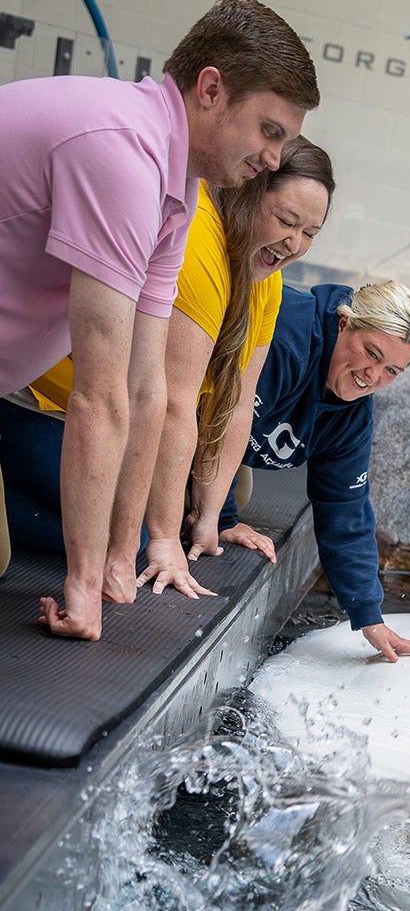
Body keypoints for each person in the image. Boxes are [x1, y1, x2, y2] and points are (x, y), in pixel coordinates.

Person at [0, 0, 319, 641]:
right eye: (270, 130)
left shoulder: (177, 186)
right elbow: (99, 396)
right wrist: (84, 585)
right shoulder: (121, 153)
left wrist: (124, 561)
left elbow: (147, 390)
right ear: (210, 90)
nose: (276, 159)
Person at [2, 136, 333, 599]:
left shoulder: (265, 276)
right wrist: (162, 539)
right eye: (285, 221)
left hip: (119, 414)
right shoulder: (200, 245)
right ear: (248, 193)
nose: (293, 243)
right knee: (129, 536)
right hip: (44, 401)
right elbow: (173, 401)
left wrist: (212, 522)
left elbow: (236, 404)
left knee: (230, 489)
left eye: (310, 233)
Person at [164, 279, 410, 663]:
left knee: (228, 495)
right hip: (169, 417)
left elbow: (344, 507)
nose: (372, 376)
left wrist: (368, 616)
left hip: (217, 448)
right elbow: (213, 418)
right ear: (343, 323)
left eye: (391, 369)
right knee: (168, 521)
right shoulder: (287, 340)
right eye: (371, 353)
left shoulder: (353, 414)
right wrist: (221, 517)